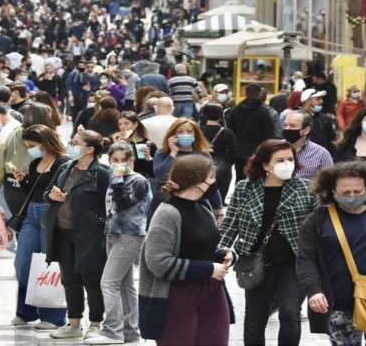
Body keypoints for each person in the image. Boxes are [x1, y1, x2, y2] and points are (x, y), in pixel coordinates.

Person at [220, 139, 320, 346]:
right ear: (266, 165)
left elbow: (318, 226)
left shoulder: (305, 188)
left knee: (290, 314)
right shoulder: (244, 188)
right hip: (256, 262)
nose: (287, 164)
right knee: (255, 320)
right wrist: (221, 251)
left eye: (290, 159)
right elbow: (231, 224)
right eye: (280, 160)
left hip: (294, 261)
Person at [138, 155, 234, 345]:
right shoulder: (167, 213)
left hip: (212, 289)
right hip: (177, 293)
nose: (215, 183)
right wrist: (208, 268)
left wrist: (223, 254)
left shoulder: (204, 206)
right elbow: (158, 261)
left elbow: (201, 246)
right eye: (211, 178)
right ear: (197, 183)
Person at [297, 161, 366, 345]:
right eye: (345, 192)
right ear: (332, 190)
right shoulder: (317, 220)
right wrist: (314, 290)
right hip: (338, 304)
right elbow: (306, 258)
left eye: (358, 192)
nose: (352, 196)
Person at [44, 130, 112, 340]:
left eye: (75, 143)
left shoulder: (102, 173)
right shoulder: (66, 168)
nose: (71, 146)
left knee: (91, 277)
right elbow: (47, 192)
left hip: (90, 234)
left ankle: (95, 323)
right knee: (69, 279)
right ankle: (73, 323)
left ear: (90, 149)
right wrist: (52, 196)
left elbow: (110, 203)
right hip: (62, 230)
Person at [85, 142, 152, 345]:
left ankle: (112, 330)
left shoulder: (138, 180)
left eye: (124, 160)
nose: (120, 164)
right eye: (115, 160)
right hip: (112, 233)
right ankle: (130, 332)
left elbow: (124, 203)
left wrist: (117, 178)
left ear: (131, 160)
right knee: (124, 284)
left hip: (129, 235)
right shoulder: (113, 178)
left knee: (108, 282)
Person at [9, 125, 70, 330]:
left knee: (49, 264)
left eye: (33, 145)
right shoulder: (36, 161)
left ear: (45, 141)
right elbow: (33, 190)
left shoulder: (63, 162)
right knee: (22, 264)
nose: (31, 149)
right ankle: (26, 310)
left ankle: (53, 315)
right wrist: (23, 180)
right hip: (31, 214)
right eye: (28, 146)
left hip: (50, 213)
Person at [153, 117, 225, 222]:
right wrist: (173, 153)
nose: (185, 134)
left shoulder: (203, 155)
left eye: (189, 131)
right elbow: (160, 175)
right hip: (166, 203)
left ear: (195, 134)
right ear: (173, 135)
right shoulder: (163, 153)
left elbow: (211, 183)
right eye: (180, 132)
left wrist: (219, 210)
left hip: (196, 204)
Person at [0, 103, 56, 218]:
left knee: (18, 221)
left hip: (12, 181)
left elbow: (2, 159)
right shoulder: (48, 135)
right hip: (40, 182)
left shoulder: (14, 133)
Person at [227, 83, 275, 182]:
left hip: (239, 149)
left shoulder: (235, 110)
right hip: (257, 150)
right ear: (259, 93)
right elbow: (268, 133)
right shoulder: (263, 112)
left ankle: (240, 196)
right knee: (258, 178)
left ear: (245, 93)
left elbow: (230, 130)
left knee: (239, 177)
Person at [200, 104, 237, 205]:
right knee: (222, 190)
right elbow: (233, 151)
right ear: (221, 115)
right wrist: (229, 162)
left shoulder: (199, 130)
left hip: (204, 163)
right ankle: (220, 205)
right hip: (223, 164)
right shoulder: (227, 132)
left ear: (204, 114)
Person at [283, 111, 333, 180]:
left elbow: (329, 181)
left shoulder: (321, 154)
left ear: (306, 130)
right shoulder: (275, 148)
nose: (287, 128)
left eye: (292, 126)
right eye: (285, 125)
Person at [300, 88, 336, 155]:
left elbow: (332, 140)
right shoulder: (297, 118)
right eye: (318, 99)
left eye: (321, 98)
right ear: (308, 101)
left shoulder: (325, 119)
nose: (321, 101)